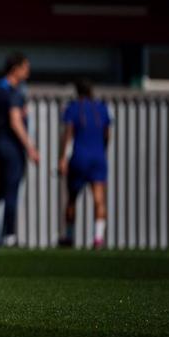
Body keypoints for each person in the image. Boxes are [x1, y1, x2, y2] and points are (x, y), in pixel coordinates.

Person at [0, 52, 39, 247]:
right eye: (25, 67)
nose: (28, 72)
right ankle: (9, 237)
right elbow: (15, 122)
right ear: (15, 69)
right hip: (11, 147)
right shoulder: (13, 92)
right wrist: (31, 148)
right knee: (10, 192)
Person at [57, 79, 111, 249]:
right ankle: (98, 238)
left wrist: (63, 158)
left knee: (72, 198)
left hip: (79, 157)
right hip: (98, 157)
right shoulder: (101, 109)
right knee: (99, 199)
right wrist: (101, 150)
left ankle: (70, 236)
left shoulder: (73, 108)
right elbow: (107, 134)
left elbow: (68, 134)